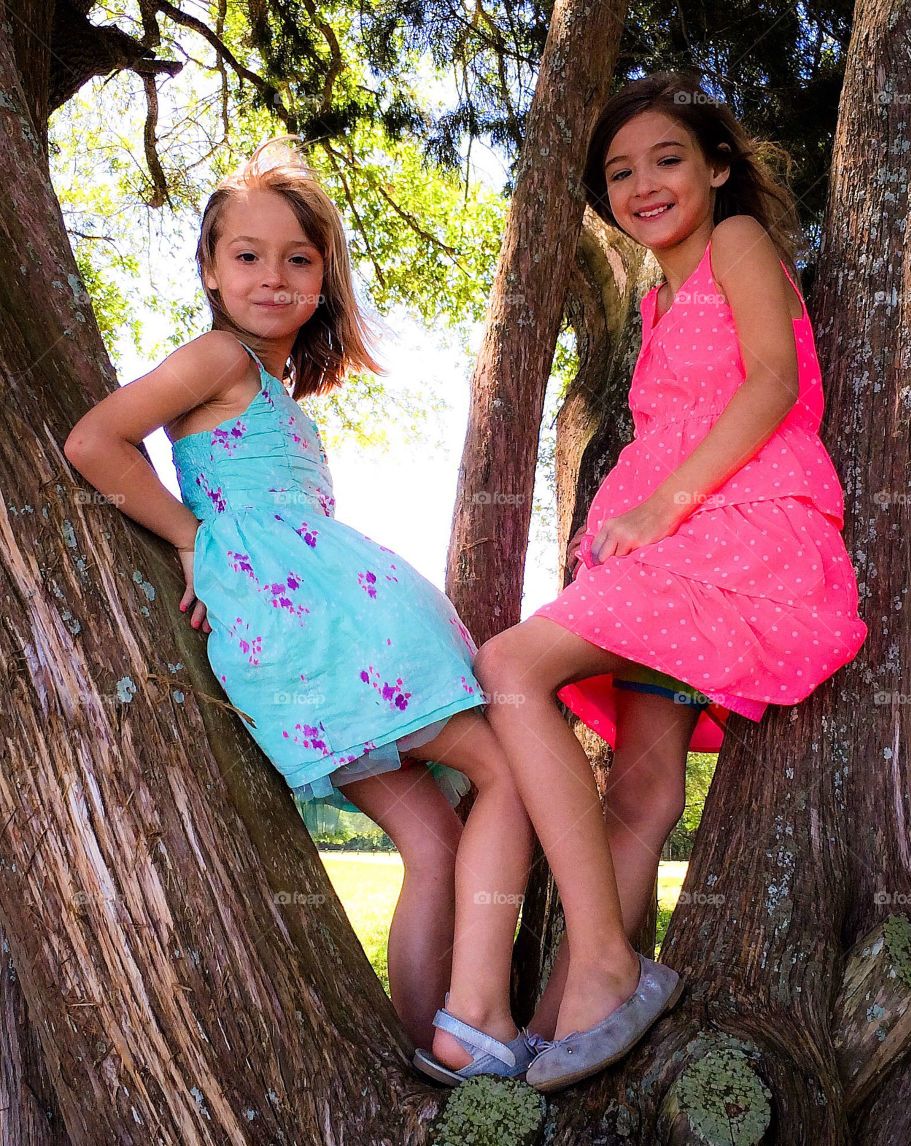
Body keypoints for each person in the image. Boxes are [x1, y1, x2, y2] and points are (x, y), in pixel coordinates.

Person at [64, 138, 537, 1080]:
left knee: (435, 840)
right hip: (316, 631)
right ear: (209, 268)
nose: (272, 276)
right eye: (246, 255)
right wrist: (192, 536)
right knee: (512, 773)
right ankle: (477, 1016)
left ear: (324, 276)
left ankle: (430, 1051)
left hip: (322, 627)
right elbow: (95, 441)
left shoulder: (270, 384)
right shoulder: (215, 356)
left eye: (298, 258)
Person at [474, 72, 869, 1092]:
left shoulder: (736, 243)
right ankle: (570, 1020)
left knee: (512, 665)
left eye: (666, 159)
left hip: (731, 527)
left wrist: (664, 508)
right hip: (671, 541)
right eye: (619, 172)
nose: (642, 183)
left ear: (719, 168)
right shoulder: (656, 293)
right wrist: (636, 520)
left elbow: (774, 385)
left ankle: (608, 963)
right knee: (641, 792)